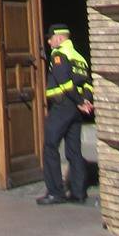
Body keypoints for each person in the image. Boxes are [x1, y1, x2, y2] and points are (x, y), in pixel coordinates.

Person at [37, 23, 93, 206]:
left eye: (51, 38)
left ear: (59, 38)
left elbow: (64, 82)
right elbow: (87, 83)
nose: (49, 42)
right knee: (74, 150)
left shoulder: (59, 54)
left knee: (50, 146)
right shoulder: (79, 57)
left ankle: (55, 192)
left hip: (63, 106)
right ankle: (78, 193)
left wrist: (78, 101)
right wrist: (85, 101)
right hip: (76, 110)